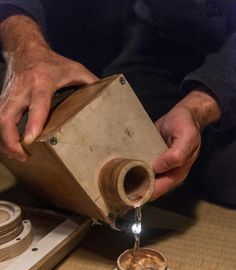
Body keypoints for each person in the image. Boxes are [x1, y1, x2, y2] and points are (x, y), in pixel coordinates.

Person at [0, 1, 235, 207]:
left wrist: (198, 107)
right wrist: (25, 48)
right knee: (106, 128)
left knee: (225, 177)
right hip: (157, 42)